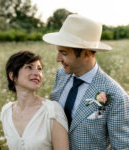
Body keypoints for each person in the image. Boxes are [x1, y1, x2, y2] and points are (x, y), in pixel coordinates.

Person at [43, 14, 129, 149]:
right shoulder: (61, 75)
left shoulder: (116, 96)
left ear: (86, 54)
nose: (57, 59)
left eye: (64, 53)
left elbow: (122, 147)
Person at [0, 51, 69, 150]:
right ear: (12, 76)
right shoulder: (6, 112)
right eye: (29, 67)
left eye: (39, 69)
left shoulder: (52, 111)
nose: (37, 73)